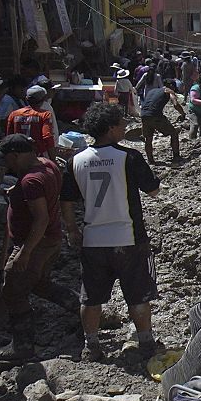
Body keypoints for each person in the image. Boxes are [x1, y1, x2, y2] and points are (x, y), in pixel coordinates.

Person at [62, 102, 161, 362]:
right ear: (110, 128)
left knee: (91, 295)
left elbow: (67, 201)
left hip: (93, 239)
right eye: (121, 124)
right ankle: (146, 344)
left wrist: (72, 229)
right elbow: (152, 190)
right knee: (137, 294)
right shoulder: (129, 157)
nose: (125, 127)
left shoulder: (75, 161)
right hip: (128, 238)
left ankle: (91, 345)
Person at [0, 133, 63, 356]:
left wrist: (24, 253)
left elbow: (41, 218)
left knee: (13, 292)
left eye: (7, 159)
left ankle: (22, 347)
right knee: (40, 283)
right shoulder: (48, 165)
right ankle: (83, 309)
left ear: (16, 156)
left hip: (34, 244)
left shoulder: (30, 181)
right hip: (51, 239)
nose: (5, 164)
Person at [136, 78, 184, 163]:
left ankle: (150, 160)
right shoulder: (168, 91)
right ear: (172, 86)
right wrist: (183, 114)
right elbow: (176, 105)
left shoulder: (152, 91)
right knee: (173, 133)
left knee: (148, 138)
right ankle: (176, 156)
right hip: (155, 115)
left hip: (144, 115)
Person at [5, 84, 57, 155]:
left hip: (19, 154)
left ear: (26, 98)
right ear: (43, 99)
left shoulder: (14, 114)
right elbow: (47, 137)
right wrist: (53, 158)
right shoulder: (45, 115)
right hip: (37, 154)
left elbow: (9, 137)